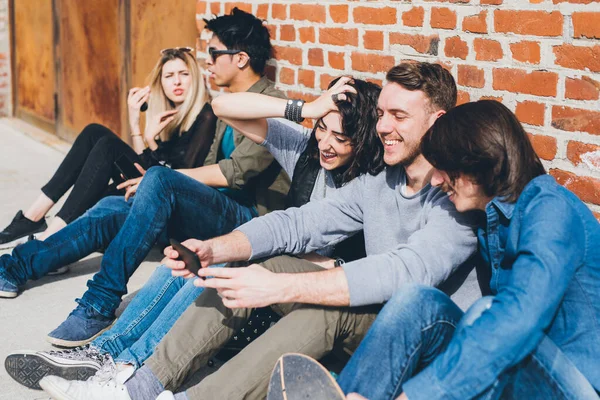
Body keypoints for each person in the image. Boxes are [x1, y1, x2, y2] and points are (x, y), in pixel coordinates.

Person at [36, 62, 479, 400]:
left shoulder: (459, 194)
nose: (383, 126)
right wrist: (213, 248)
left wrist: (275, 285)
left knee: (316, 305)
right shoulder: (381, 182)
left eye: (398, 115)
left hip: (421, 341)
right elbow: (300, 223)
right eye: (382, 113)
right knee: (262, 261)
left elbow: (405, 272)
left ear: (436, 121)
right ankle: (139, 388)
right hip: (370, 315)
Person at [6, 75, 383, 391]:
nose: (326, 143)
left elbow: (365, 266)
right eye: (323, 129)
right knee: (191, 254)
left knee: (218, 264)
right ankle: (105, 353)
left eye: (341, 137)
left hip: (310, 296)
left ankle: (124, 365)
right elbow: (223, 106)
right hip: (274, 270)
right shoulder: (304, 148)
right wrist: (307, 110)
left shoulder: (372, 184)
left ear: (363, 139)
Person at [0, 8, 289, 347]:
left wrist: (160, 178)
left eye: (214, 53)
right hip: (213, 211)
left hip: (248, 223)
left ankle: (99, 303)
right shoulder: (227, 104)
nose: (207, 63)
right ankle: (17, 266)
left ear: (240, 59)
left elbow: (237, 172)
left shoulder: (271, 104)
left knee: (156, 181)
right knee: (111, 211)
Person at [320, 100, 600, 400]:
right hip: (515, 370)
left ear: (482, 163)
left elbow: (518, 319)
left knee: (487, 312)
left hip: (574, 387)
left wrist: (416, 396)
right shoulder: (492, 218)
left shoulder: (550, 210)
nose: (436, 180)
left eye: (444, 169)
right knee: (417, 301)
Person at [0, 47, 214, 247]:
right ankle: (33, 218)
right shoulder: (171, 115)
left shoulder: (205, 115)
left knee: (109, 147)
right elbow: (147, 163)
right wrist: (134, 124)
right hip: (148, 185)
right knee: (94, 132)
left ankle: (52, 239)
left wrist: (151, 140)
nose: (177, 82)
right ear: (161, 82)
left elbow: (179, 176)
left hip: (171, 205)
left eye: (184, 74)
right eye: (169, 76)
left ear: (194, 78)